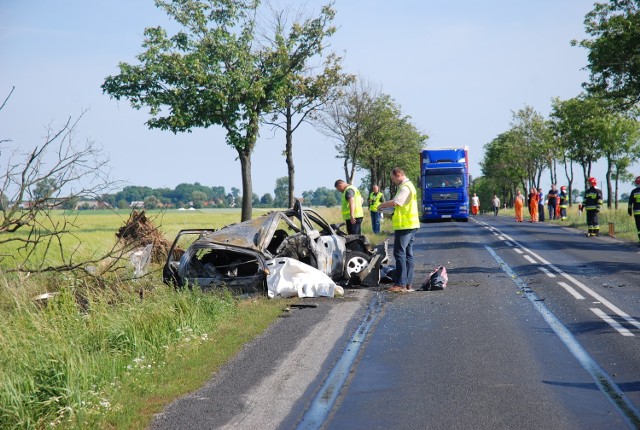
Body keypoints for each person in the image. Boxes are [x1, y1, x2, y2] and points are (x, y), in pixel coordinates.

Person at [377, 168, 420, 293]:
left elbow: (397, 202)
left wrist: (382, 205)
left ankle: (401, 284)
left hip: (405, 225)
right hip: (410, 224)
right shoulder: (409, 186)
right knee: (407, 254)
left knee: (399, 253)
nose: (393, 181)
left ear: (399, 175)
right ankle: (407, 283)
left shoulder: (405, 187)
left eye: (393, 178)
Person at [628, 176, 640, 244]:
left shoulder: (634, 191)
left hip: (637, 213)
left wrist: (629, 210)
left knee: (639, 227)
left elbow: (630, 202)